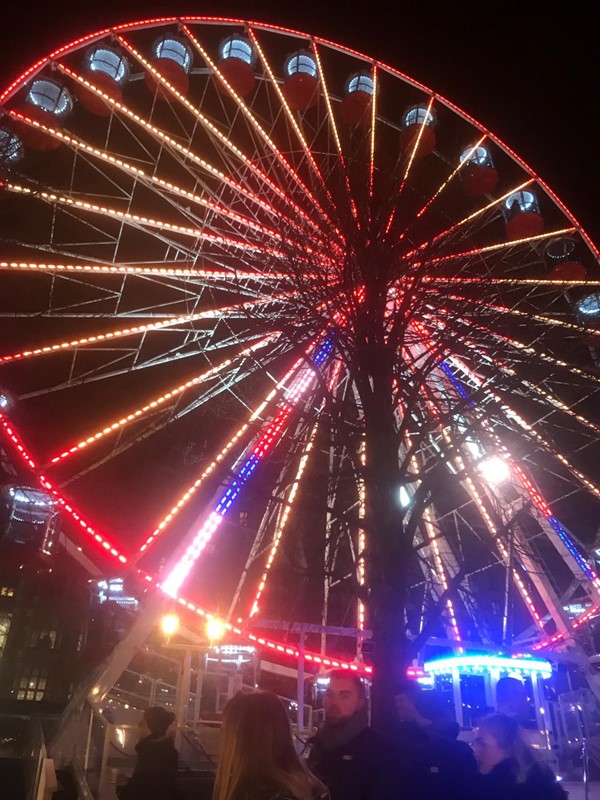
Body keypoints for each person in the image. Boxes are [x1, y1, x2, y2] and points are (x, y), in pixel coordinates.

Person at [212, 690, 328, 800]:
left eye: (224, 732)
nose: (220, 742)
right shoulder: (309, 787)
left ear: (240, 740)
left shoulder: (256, 793)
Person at [305, 670, 398, 800]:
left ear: (360, 702)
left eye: (344, 696)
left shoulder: (377, 750)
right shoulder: (316, 744)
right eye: (329, 694)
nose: (334, 702)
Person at [393, 680, 479, 800]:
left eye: (401, 700)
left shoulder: (432, 744)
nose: (397, 705)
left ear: (415, 704)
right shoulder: (407, 736)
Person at [473, 713, 567, 800]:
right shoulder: (542, 775)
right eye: (476, 744)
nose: (475, 751)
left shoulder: (496, 787)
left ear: (507, 746)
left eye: (482, 744)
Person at [116, 705, 179, 800]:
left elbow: (141, 785)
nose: (139, 724)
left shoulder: (149, 752)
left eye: (143, 722)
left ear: (152, 725)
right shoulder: (167, 750)